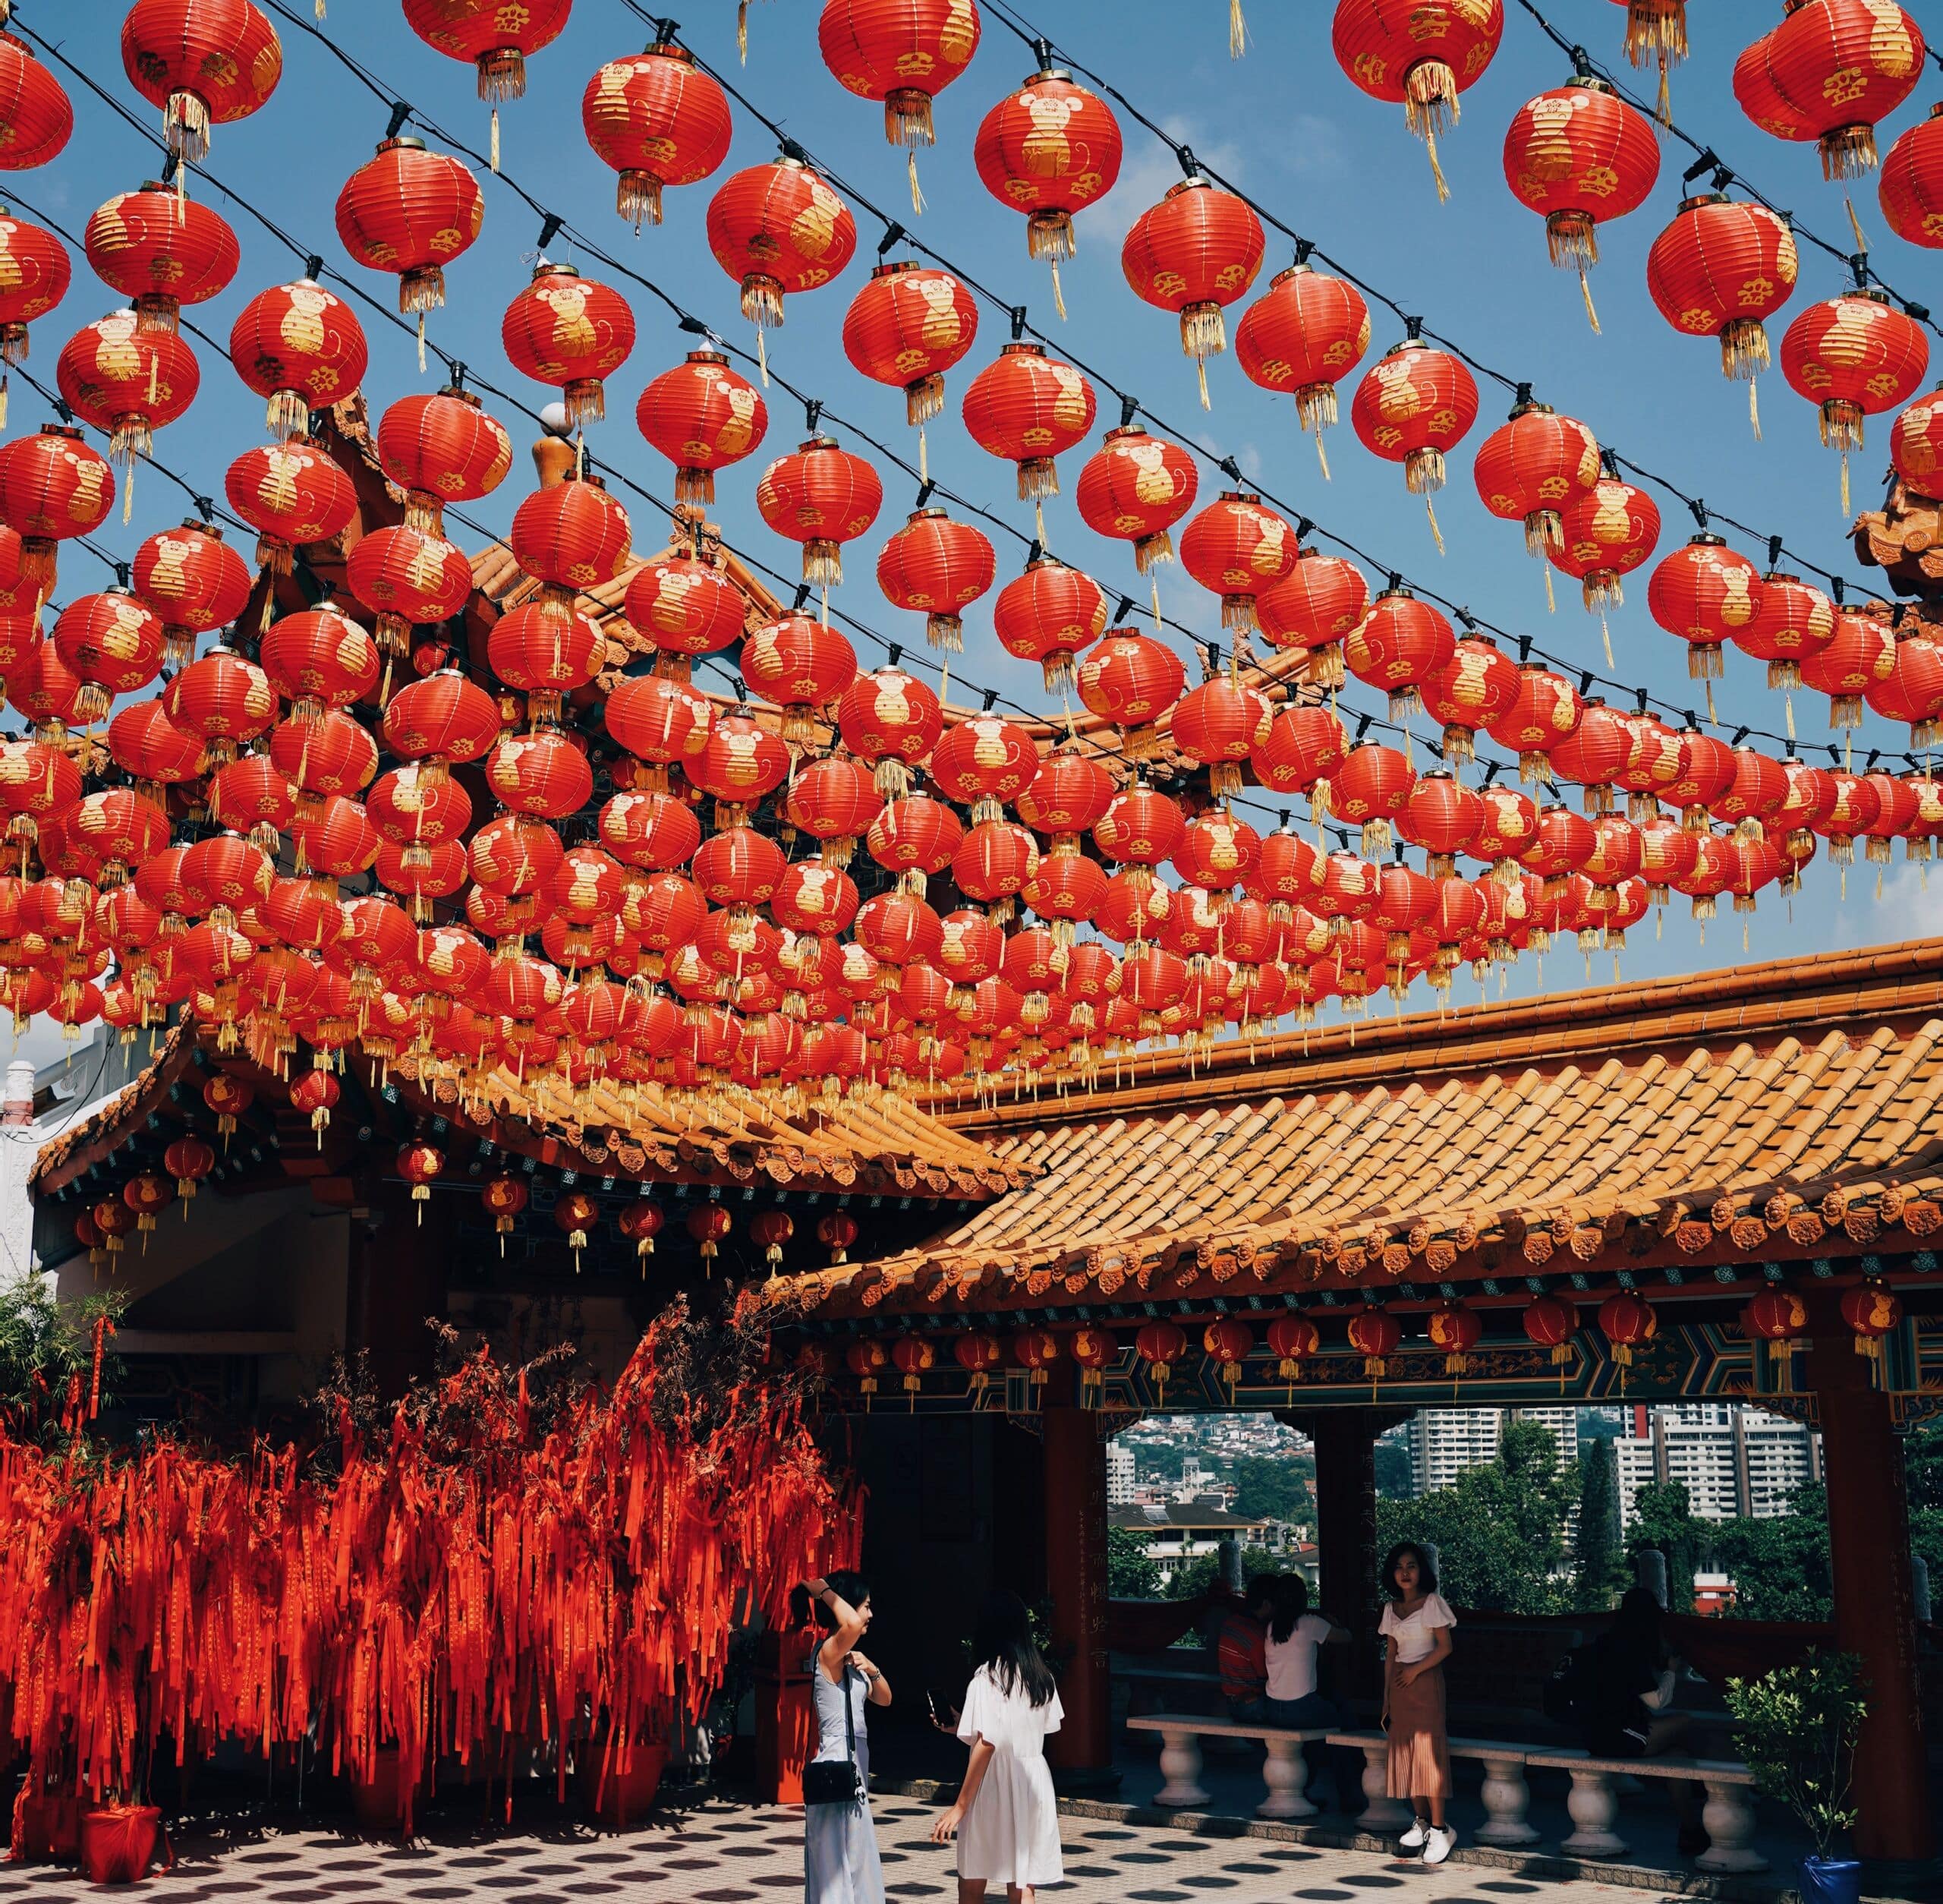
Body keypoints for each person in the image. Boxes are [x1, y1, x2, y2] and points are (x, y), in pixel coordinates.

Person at [930, 1590, 1064, 1902]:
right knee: (1022, 1883)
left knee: (973, 1878)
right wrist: (964, 1723)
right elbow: (1024, 1730)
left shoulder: (986, 1679)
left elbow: (989, 1743)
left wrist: (960, 1806)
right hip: (1033, 1781)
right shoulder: (1041, 1677)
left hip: (994, 1784)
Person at [796, 1571, 892, 1904]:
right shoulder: (827, 1653)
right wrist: (823, 1591)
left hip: (855, 1763)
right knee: (835, 1861)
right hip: (836, 1763)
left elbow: (885, 1698)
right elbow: (850, 1625)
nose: (869, 1614)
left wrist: (872, 1668)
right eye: (865, 1606)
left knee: (857, 1856)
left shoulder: (849, 1661)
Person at [1379, 1541, 1456, 1866]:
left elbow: (1444, 1647)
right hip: (1400, 1688)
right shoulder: (1390, 1608)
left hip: (1425, 1684)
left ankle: (1441, 1828)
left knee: (1428, 1755)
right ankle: (1421, 1821)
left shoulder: (1432, 1603)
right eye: (1399, 1566)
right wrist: (1385, 1701)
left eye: (1411, 1565)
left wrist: (1414, 1671)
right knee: (1406, 1754)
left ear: (1421, 1570)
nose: (1405, 1572)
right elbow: (1390, 1656)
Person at [1260, 1574, 1347, 1728]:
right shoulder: (1310, 1623)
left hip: (1272, 1707)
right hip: (1303, 1707)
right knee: (1343, 1720)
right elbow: (1346, 1637)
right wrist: (1333, 1623)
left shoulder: (1271, 1627)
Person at [1215, 1578, 1271, 1720]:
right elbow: (1266, 1676)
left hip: (1232, 1702)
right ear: (1266, 1604)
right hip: (1251, 1705)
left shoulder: (1230, 1623)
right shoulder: (1256, 1636)